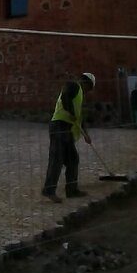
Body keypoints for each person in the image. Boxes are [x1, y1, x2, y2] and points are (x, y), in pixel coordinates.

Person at [42, 72, 95, 203]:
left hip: (67, 129)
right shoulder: (73, 86)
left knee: (73, 160)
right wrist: (70, 113)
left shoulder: (79, 95)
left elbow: (79, 117)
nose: (88, 91)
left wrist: (86, 134)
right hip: (59, 126)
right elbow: (65, 97)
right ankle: (49, 190)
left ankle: (72, 190)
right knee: (57, 159)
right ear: (86, 83)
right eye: (90, 88)